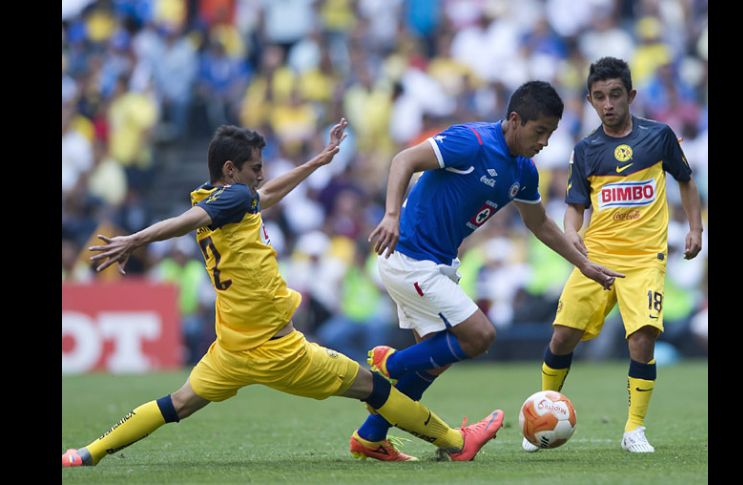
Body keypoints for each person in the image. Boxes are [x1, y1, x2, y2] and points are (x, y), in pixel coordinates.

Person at [62, 119, 505, 467]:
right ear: (231, 171)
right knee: (374, 388)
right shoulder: (229, 200)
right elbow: (186, 220)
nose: (262, 175)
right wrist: (136, 239)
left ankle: (89, 451)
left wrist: (317, 161)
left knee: (176, 403)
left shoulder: (232, 199)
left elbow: (266, 194)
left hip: (231, 348)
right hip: (278, 351)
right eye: (255, 167)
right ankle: (454, 441)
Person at [354, 81, 623, 461]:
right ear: (515, 120)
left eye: (551, 133)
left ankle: (370, 438)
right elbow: (404, 160)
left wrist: (584, 264)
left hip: (439, 264)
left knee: (434, 360)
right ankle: (390, 363)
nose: (544, 141)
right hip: (410, 257)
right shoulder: (472, 142)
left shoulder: (524, 171)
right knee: (479, 336)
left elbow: (540, 223)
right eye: (539, 131)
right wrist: (392, 214)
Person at [521, 57, 703, 454]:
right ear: (590, 100)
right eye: (600, 97)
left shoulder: (659, 137)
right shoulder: (585, 151)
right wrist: (571, 231)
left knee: (642, 339)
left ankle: (634, 428)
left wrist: (695, 228)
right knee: (562, 335)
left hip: (644, 258)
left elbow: (687, 181)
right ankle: (542, 415)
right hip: (598, 255)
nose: (608, 104)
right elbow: (575, 205)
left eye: (615, 95)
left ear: (631, 96)